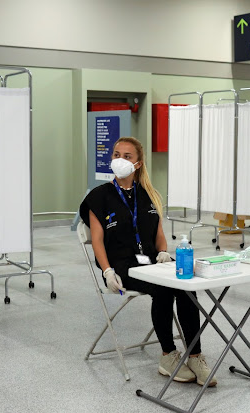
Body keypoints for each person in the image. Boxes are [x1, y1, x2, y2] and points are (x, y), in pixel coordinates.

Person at [80, 137, 216, 386]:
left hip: (153, 260)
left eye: (127, 156)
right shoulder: (99, 197)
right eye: (116, 154)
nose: (119, 160)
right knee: (164, 288)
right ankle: (168, 355)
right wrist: (107, 271)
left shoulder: (148, 195)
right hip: (123, 264)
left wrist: (163, 252)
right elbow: (97, 241)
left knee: (186, 285)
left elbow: (159, 234)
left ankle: (195, 355)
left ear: (138, 163)